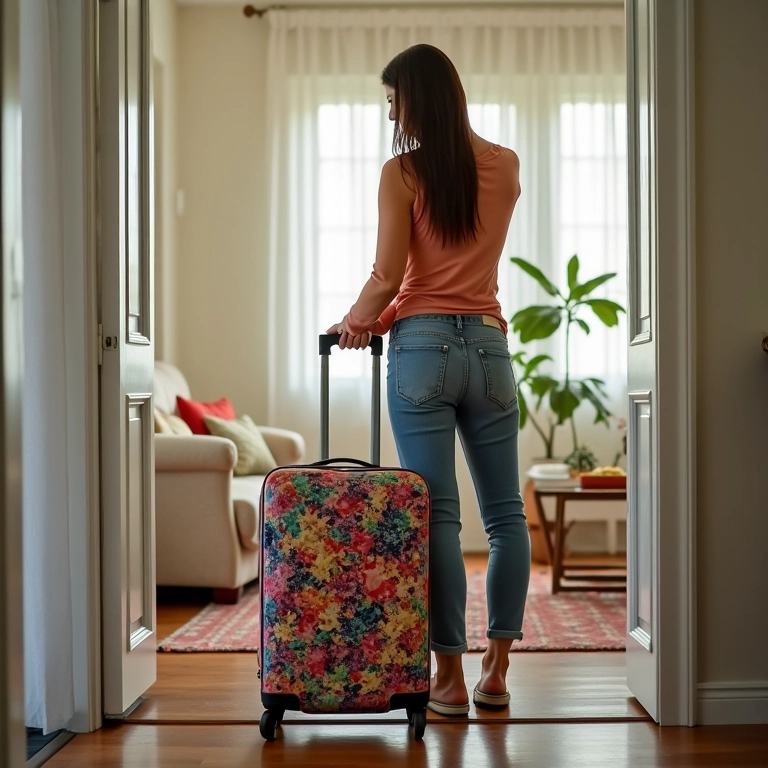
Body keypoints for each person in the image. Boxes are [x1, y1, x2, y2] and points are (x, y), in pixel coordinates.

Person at [327, 43, 530, 716]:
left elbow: (394, 277)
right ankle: (497, 673)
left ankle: (448, 681)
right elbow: (461, 276)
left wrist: (357, 321)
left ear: (415, 98)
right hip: (491, 350)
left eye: (393, 99)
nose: (391, 111)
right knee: (505, 517)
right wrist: (378, 313)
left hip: (421, 352)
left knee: (439, 516)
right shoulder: (507, 166)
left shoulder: (403, 173)